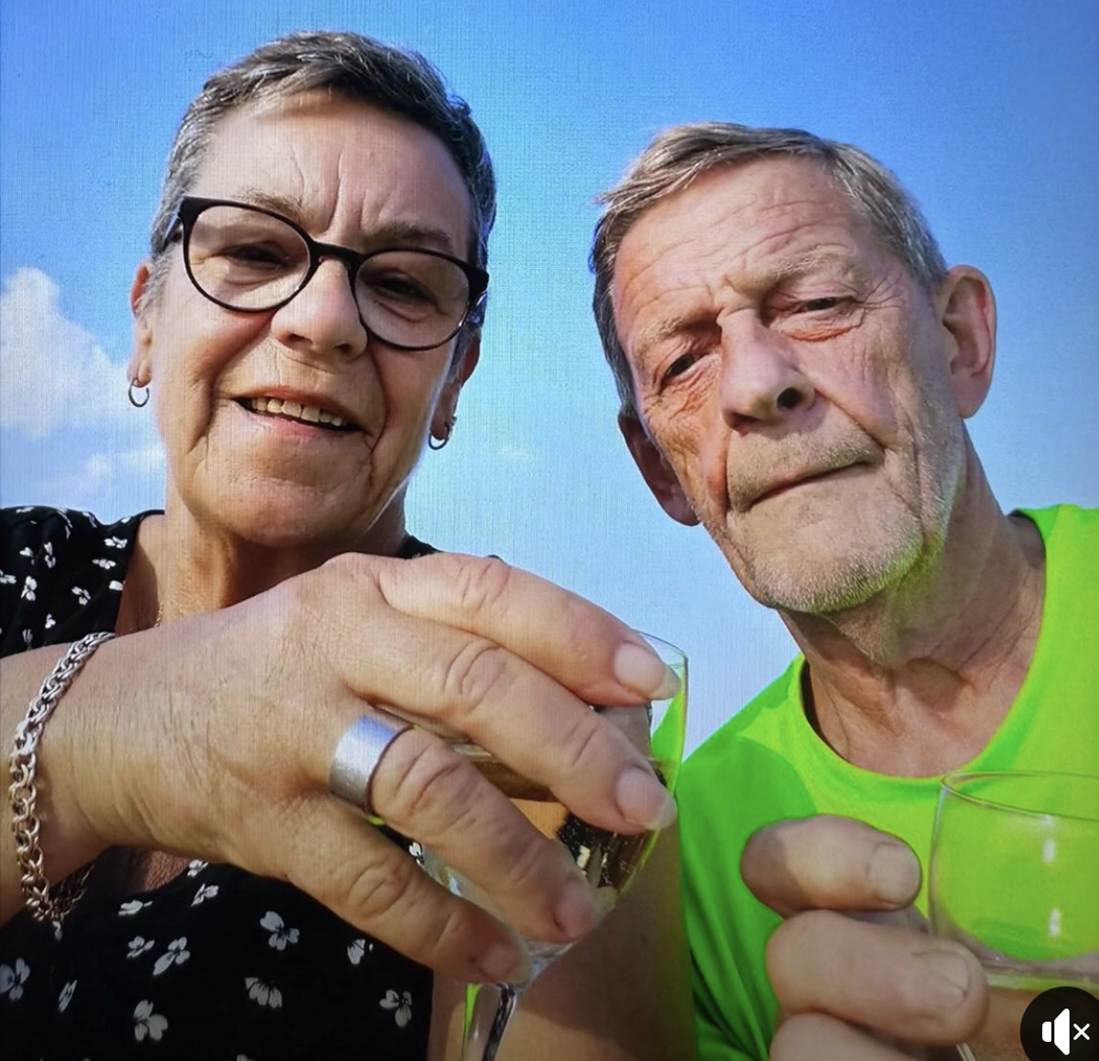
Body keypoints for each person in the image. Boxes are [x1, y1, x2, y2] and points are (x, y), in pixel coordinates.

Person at [0, 32, 696, 1060]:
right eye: (254, 253)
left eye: (405, 284)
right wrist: (119, 727)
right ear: (147, 317)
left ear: (454, 379)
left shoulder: (532, 723)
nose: (323, 319)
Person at [590, 123, 1099, 1059]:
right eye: (683, 363)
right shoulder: (675, 874)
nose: (756, 383)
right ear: (661, 473)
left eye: (818, 303)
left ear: (960, 341)